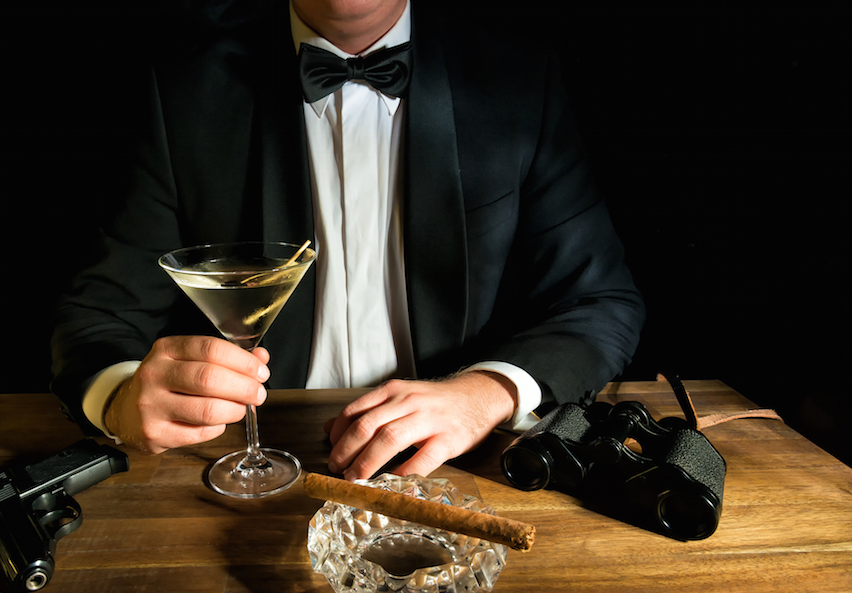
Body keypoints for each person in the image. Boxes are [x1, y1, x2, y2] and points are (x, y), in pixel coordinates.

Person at [50, 0, 645, 482]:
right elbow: (97, 318)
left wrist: (484, 392)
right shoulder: (184, 88)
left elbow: (600, 302)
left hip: (465, 467)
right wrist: (120, 400)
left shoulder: (518, 76)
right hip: (241, 468)